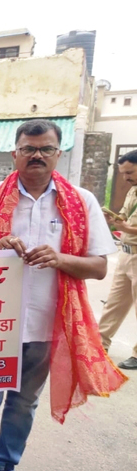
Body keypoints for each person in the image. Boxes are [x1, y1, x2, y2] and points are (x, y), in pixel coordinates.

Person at [0, 119, 123, 471]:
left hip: (46, 325)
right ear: (15, 154)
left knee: (23, 404)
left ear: (58, 154)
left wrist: (61, 259)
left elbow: (98, 267)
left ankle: (6, 468)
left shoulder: (80, 202)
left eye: (45, 149)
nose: (37, 155)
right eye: (29, 149)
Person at [98, 150, 137, 368]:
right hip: (126, 253)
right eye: (123, 173)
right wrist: (114, 219)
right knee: (114, 303)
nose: (126, 178)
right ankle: (100, 345)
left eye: (130, 172)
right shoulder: (133, 191)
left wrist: (127, 228)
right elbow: (124, 215)